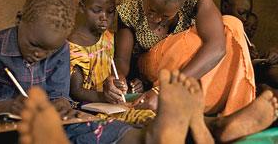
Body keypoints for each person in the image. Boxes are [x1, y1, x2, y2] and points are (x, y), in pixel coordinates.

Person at [0, 0, 133, 144]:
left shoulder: (62, 49)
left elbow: (59, 94)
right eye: (34, 44)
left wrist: (61, 104)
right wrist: (9, 106)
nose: (40, 54)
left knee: (97, 127)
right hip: (8, 126)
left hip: (51, 123)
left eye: (49, 50)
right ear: (19, 19)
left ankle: (138, 137)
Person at [115, 0, 255, 116]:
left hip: (187, 74)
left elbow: (217, 48)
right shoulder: (129, 6)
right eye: (151, 10)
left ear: (184, 1)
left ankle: (230, 112)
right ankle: (204, 117)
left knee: (232, 25)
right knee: (194, 51)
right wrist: (117, 78)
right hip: (157, 70)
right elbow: (121, 60)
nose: (157, 19)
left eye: (165, 16)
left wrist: (167, 89)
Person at [18, 69, 278, 144]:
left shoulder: (61, 53)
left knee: (128, 122)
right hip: (82, 118)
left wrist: (123, 85)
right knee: (110, 129)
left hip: (99, 114)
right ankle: (195, 129)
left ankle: (212, 126)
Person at [68, 0, 155, 124]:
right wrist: (104, 96)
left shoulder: (109, 38)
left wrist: (131, 85)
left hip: (114, 104)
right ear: (82, 7)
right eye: (97, 10)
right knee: (140, 122)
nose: (104, 17)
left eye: (110, 11)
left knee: (151, 113)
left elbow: (117, 72)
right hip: (90, 108)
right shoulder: (73, 47)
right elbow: (76, 91)